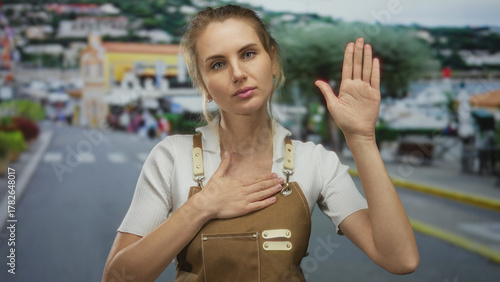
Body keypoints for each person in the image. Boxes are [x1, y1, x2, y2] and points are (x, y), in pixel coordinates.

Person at [102, 5, 419, 281]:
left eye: (248, 54)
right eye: (217, 64)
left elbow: (400, 259)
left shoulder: (316, 163)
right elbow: (117, 278)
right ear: (205, 88)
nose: (238, 73)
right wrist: (201, 206)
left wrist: (361, 138)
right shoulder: (171, 157)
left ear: (274, 63)